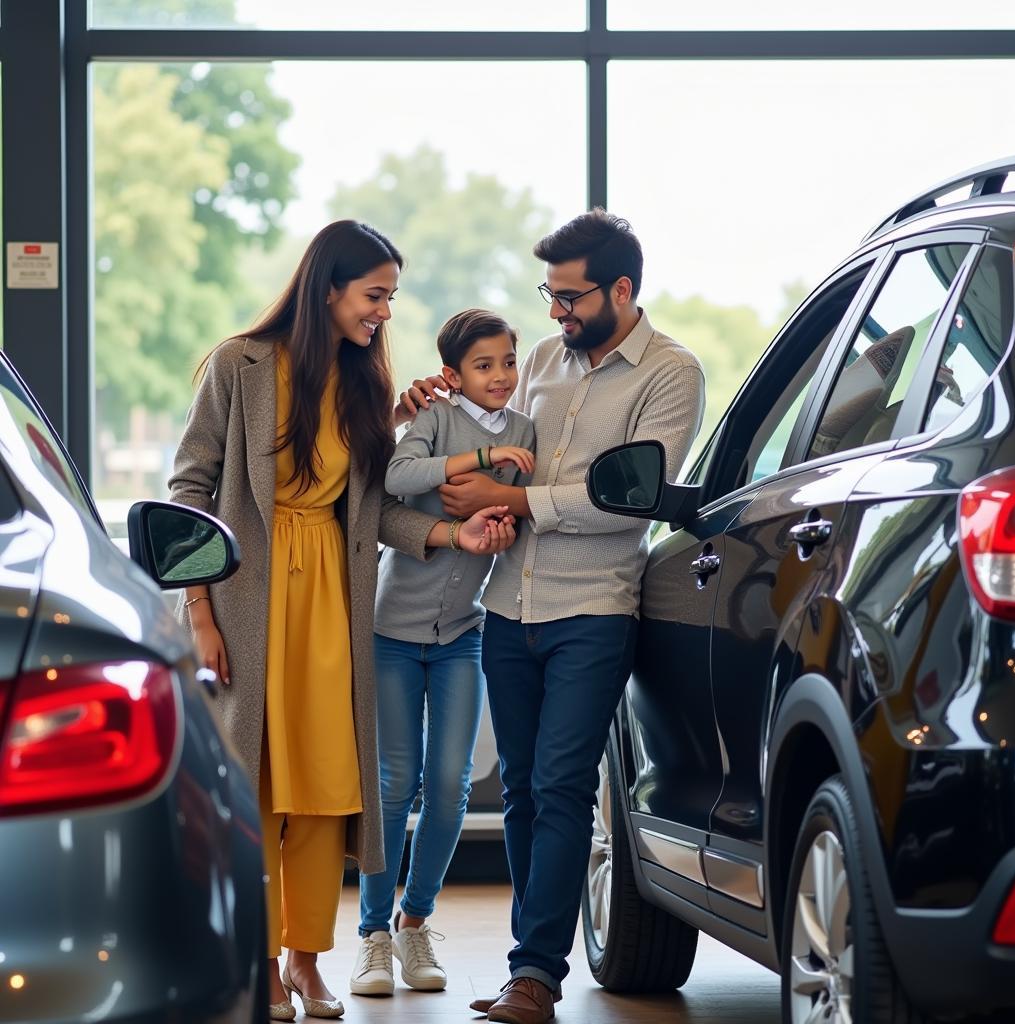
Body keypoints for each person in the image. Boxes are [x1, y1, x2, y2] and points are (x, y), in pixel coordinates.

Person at [167, 220, 515, 1023]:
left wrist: (447, 533)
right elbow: (189, 489)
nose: (385, 312)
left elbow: (377, 512)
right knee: (253, 788)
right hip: (245, 598)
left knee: (326, 790)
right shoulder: (238, 364)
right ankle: (253, 961)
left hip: (334, 600)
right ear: (328, 288)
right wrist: (200, 612)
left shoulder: (365, 385)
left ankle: (306, 961)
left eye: (390, 297)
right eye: (374, 295)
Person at [401, 209, 705, 1024]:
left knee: (566, 786)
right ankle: (525, 968)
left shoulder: (671, 374)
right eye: (550, 293)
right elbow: (475, 437)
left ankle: (535, 975)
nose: (555, 313)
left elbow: (629, 499)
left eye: (569, 298)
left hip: (594, 610)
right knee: (527, 792)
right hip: (505, 607)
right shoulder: (538, 362)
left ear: (622, 289)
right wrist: (431, 406)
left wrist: (512, 498)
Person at [349, 309, 536, 999]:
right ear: (454, 375)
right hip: (392, 636)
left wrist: (498, 511)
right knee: (394, 784)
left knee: (453, 789)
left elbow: (517, 512)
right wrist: (481, 462)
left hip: (463, 634)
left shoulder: (526, 433)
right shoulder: (436, 417)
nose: (501, 377)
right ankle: (371, 935)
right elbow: (398, 479)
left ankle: (413, 920)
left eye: (508, 362)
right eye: (484, 366)